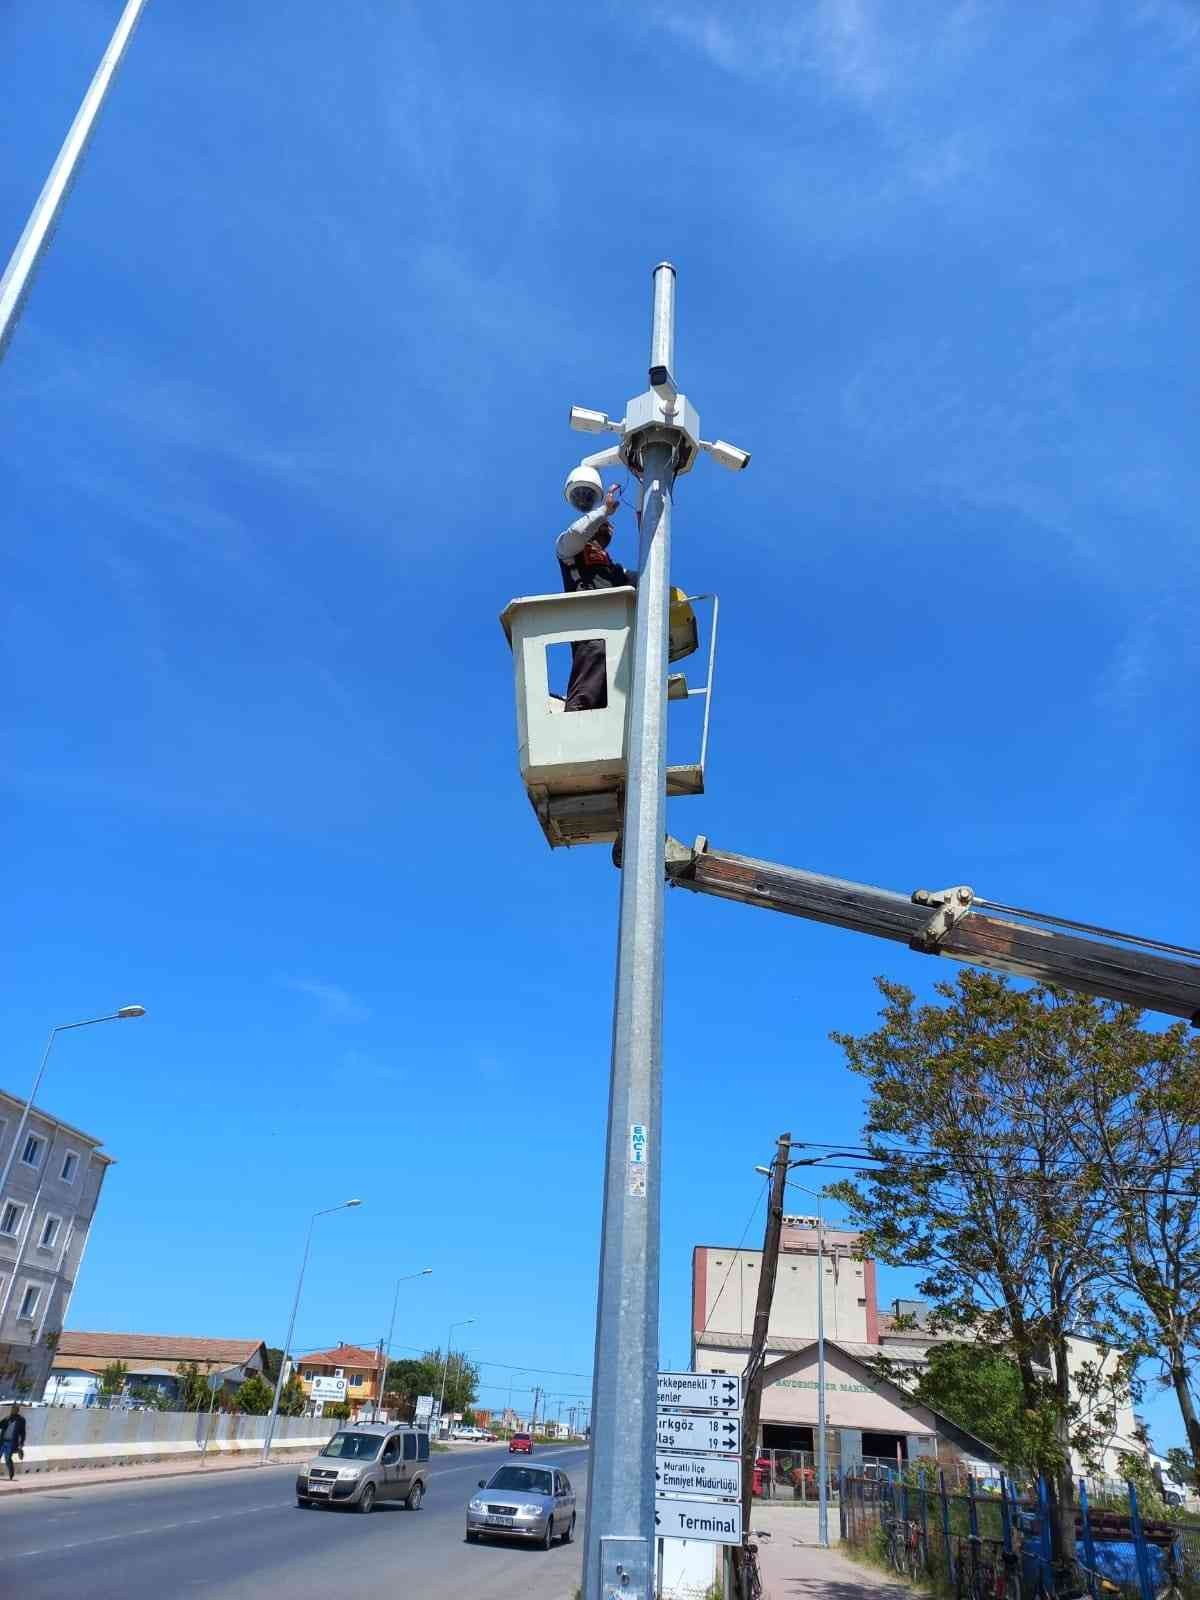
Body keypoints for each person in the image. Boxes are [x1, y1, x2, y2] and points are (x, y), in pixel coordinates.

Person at [555, 469, 637, 712]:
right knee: (593, 658)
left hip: (611, 635)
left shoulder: (613, 570)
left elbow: (645, 579)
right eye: (604, 524)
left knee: (608, 687)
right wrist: (603, 511)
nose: (609, 527)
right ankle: (575, 715)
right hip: (588, 628)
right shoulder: (568, 551)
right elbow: (576, 533)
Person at [0, 1404, 26, 1480]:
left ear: (18, 1410)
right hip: (2, 1441)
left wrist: (21, 1443)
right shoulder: (7, 1418)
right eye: (12, 1409)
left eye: (15, 1409)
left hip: (11, 1443)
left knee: (7, 1458)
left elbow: (23, 1432)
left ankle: (11, 1473)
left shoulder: (21, 1420)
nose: (13, 1410)